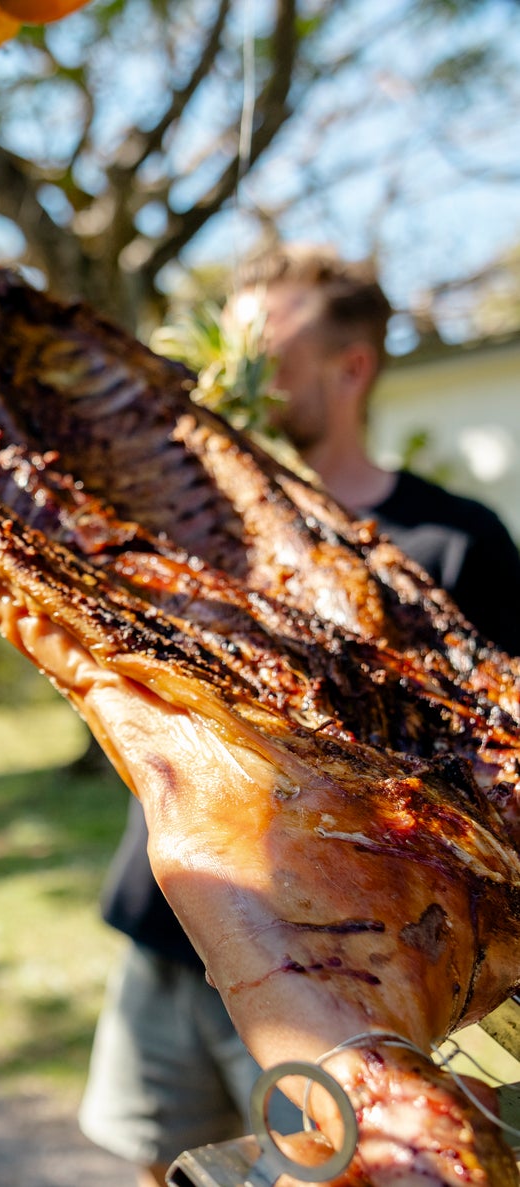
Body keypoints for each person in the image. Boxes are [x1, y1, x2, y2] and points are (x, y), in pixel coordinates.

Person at [77, 244, 520, 1186]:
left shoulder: (458, 542)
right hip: (164, 923)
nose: (228, 373)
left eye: (261, 351)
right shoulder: (190, 530)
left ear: (350, 367)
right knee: (158, 1162)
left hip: (335, 969)